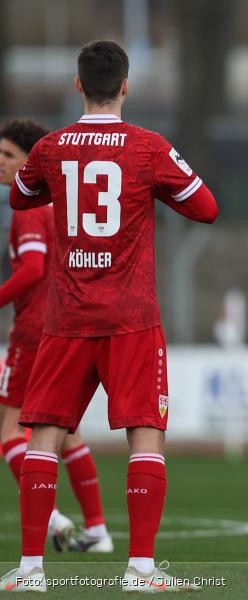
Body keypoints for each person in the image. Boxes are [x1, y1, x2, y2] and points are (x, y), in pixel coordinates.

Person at [1, 40, 218, 593]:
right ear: (126, 86)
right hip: (131, 318)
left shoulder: (51, 148)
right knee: (146, 438)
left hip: (67, 317)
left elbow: (22, 196)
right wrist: (154, 192)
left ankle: (30, 571)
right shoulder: (149, 148)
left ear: (78, 85)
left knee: (42, 435)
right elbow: (206, 208)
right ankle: (140, 571)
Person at [0, 118, 113, 554]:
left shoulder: (27, 208)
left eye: (9, 155)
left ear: (32, 161)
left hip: (34, 331)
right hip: (64, 325)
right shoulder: (58, 204)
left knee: (11, 432)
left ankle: (53, 520)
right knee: (66, 432)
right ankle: (98, 530)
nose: (2, 163)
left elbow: (31, 268)